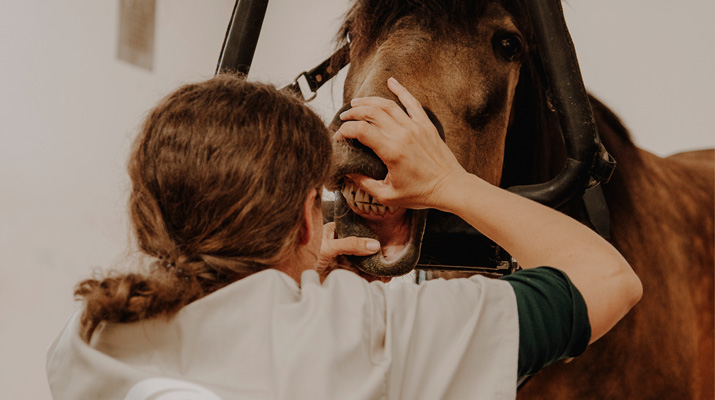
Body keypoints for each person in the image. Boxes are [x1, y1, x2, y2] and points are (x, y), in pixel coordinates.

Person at [46, 74, 642, 400]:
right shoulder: (376, 337)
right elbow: (609, 278)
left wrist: (289, 280)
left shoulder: (88, 336)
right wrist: (447, 182)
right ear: (309, 217)